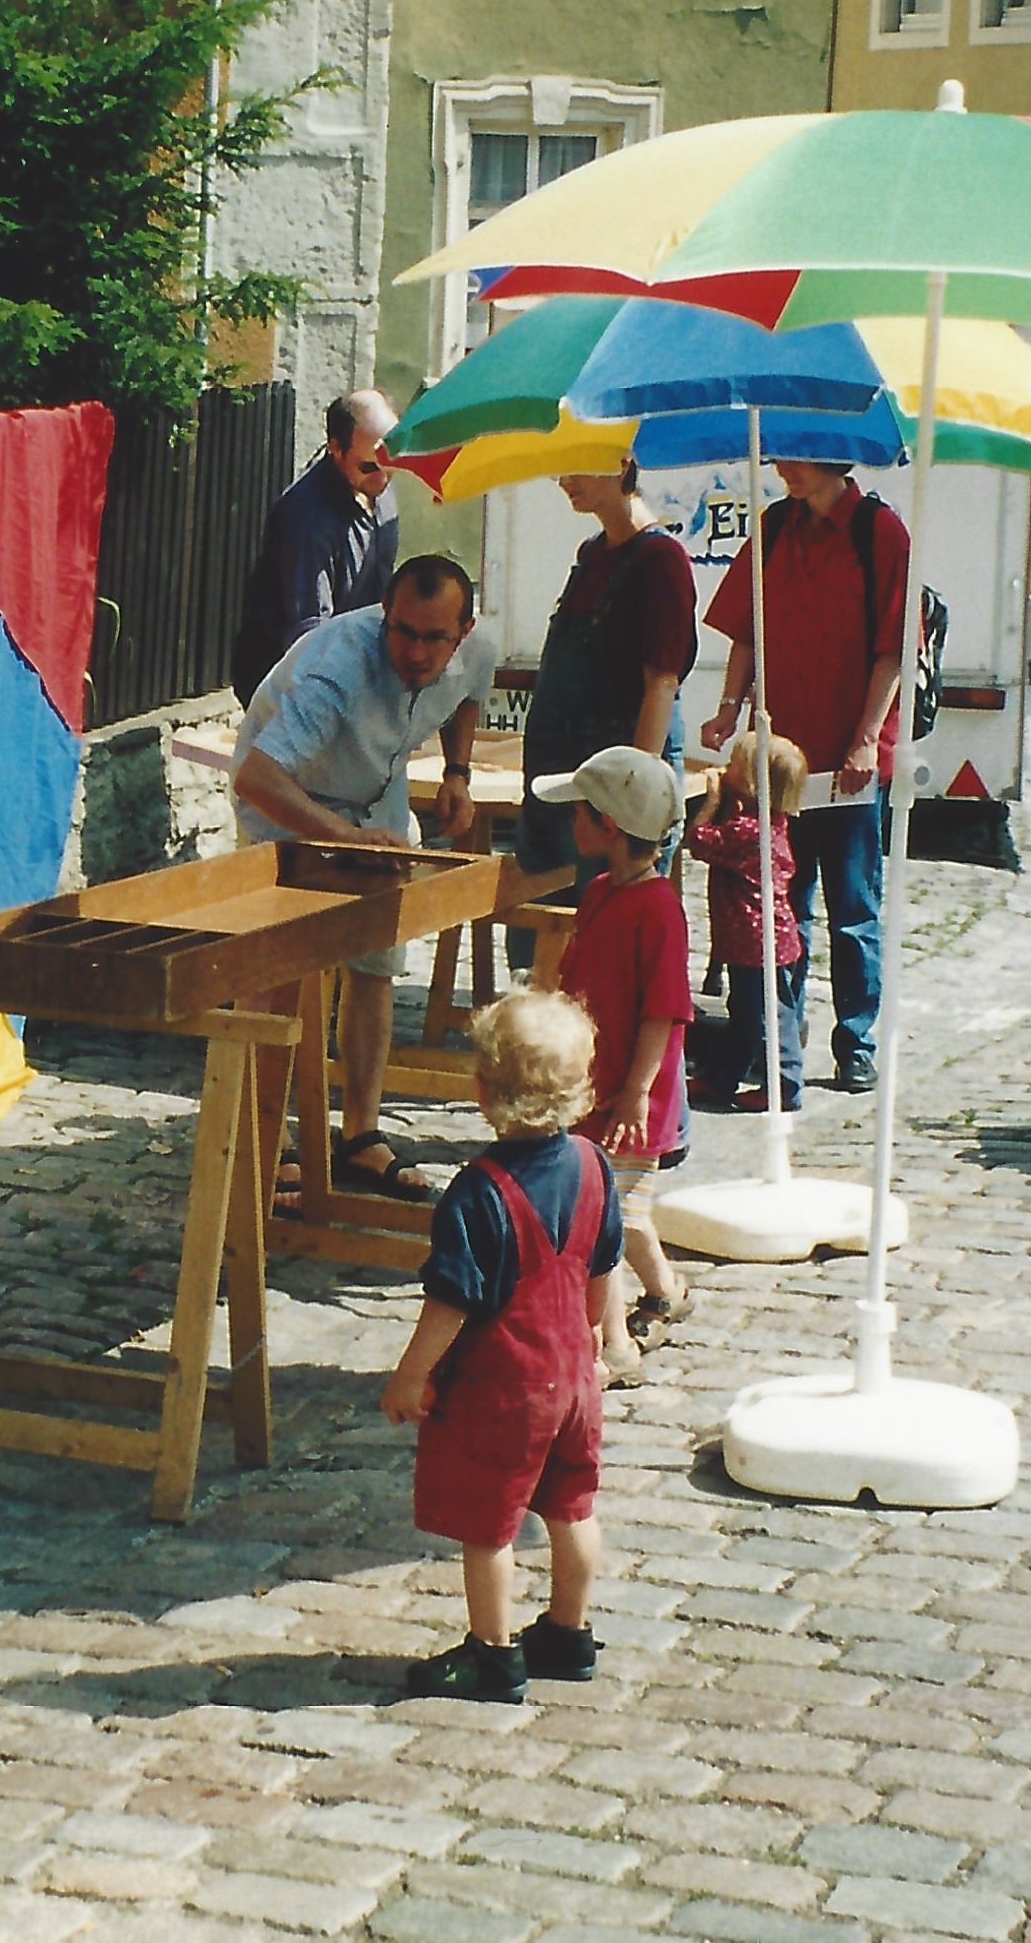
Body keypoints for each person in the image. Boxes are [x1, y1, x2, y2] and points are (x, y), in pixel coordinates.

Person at [232, 556, 497, 1198]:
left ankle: (361, 1133)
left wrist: (458, 772)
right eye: (403, 631)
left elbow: (469, 694)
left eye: (435, 637)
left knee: (377, 963)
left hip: (375, 795)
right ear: (386, 615)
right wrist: (344, 839)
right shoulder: (338, 670)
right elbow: (257, 779)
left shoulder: (479, 645)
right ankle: (275, 1141)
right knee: (286, 972)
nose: (416, 650)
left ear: (463, 629)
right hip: (289, 801)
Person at [381, 988, 617, 1703]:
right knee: (572, 1508)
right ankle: (568, 1632)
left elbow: (449, 1302)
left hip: (505, 1388)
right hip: (574, 1375)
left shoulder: (476, 1192)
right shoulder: (592, 1163)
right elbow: (601, 1267)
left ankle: (491, 1650)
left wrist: (408, 1376)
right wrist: (602, 1342)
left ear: (483, 1091)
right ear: (582, 1087)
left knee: (490, 1527)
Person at [699, 458, 906, 1093]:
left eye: (795, 458)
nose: (782, 467)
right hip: (778, 762)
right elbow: (743, 632)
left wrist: (867, 739)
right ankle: (782, 1040)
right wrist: (729, 707)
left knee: (852, 907)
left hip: (848, 762)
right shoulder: (773, 528)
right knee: (779, 905)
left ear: (832, 459)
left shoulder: (879, 533)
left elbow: (894, 647)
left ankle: (857, 1041)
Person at [534, 746, 696, 1382]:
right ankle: (666, 1294)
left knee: (612, 1219)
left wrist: (636, 1092)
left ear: (607, 825)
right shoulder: (602, 890)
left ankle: (612, 1345)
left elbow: (663, 1013)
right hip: (591, 1092)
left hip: (631, 1103)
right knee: (622, 1217)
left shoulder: (657, 909)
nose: (570, 820)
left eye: (580, 810)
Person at [516, 460, 697, 889]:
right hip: (559, 783)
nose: (564, 479)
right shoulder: (592, 553)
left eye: (577, 465)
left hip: (614, 799)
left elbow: (662, 682)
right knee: (543, 933)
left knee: (606, 933)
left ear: (621, 465)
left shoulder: (661, 560)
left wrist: (634, 802)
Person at [229, 389, 402, 703]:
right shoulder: (306, 517)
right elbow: (308, 633)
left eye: (390, 461)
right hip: (282, 674)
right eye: (368, 467)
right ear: (336, 449)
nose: (382, 477)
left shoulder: (379, 489)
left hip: (349, 660)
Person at [686, 730, 807, 1113]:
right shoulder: (768, 821)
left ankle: (785, 1084)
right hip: (757, 942)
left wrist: (711, 800)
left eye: (734, 765)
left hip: (757, 944)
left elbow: (700, 841)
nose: (725, 768)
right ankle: (721, 1078)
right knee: (746, 1015)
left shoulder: (747, 832)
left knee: (768, 1017)